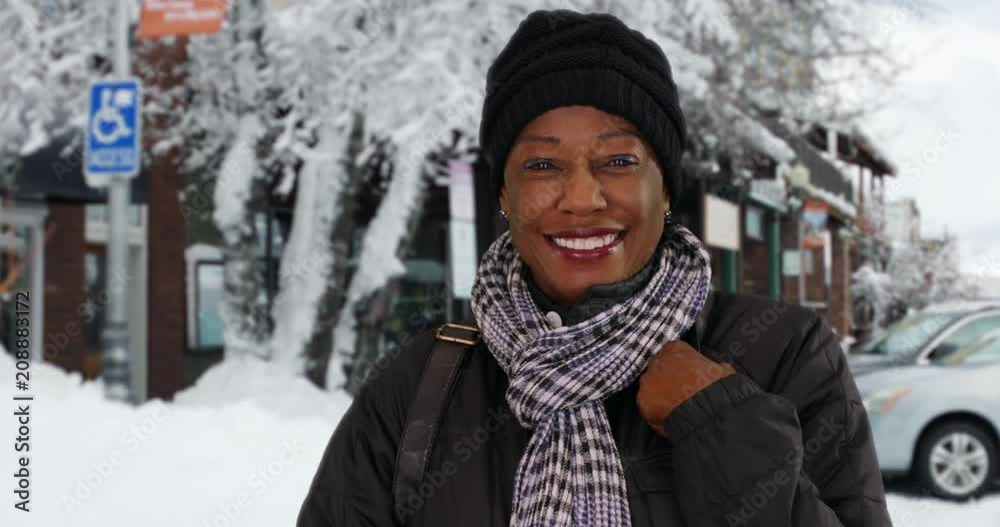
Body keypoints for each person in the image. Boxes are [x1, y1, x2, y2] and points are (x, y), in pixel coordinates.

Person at [298, 9, 892, 527]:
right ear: (503, 195)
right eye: (540, 166)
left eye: (617, 159)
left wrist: (721, 426)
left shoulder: (784, 356)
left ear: (665, 190)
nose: (581, 198)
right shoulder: (420, 386)